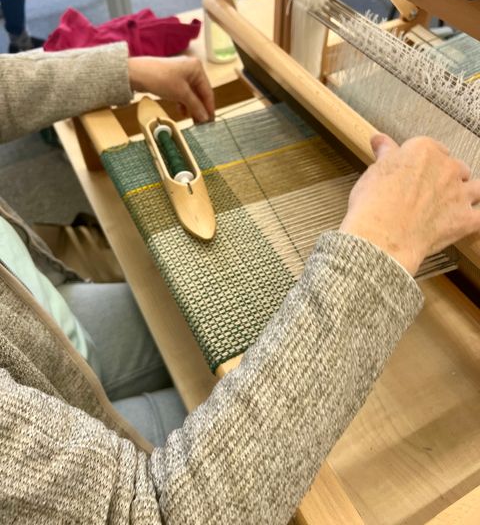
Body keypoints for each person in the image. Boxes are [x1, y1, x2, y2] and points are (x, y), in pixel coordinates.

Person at [0, 42, 479, 524]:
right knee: (326, 441)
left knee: (179, 322)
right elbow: (161, 514)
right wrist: (381, 246)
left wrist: (119, 70)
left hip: (33, 321)